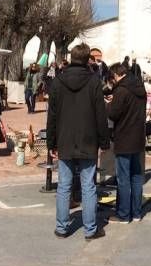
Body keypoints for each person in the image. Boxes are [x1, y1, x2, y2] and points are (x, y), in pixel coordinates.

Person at [47, 43, 109, 240]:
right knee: (88, 185)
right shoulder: (94, 82)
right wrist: (104, 141)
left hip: (64, 138)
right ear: (87, 59)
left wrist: (51, 142)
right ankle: (90, 229)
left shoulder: (58, 81)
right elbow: (101, 114)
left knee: (64, 185)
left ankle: (62, 227)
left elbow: (52, 115)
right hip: (88, 139)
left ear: (71, 58)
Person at [105, 62, 147, 224]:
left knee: (123, 178)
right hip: (138, 137)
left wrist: (109, 103)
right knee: (136, 176)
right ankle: (136, 213)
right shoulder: (139, 87)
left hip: (124, 137)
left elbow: (114, 114)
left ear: (116, 75)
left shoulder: (121, 90)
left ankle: (123, 214)